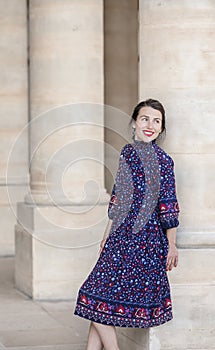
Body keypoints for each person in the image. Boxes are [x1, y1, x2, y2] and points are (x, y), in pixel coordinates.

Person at [74, 99, 180, 350]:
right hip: (119, 238)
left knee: (91, 297)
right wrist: (106, 234)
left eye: (157, 121)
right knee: (96, 301)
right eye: (145, 119)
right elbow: (118, 199)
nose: (150, 125)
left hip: (145, 243)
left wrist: (172, 245)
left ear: (161, 129)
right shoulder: (127, 154)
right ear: (134, 123)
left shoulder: (164, 162)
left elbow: (168, 205)